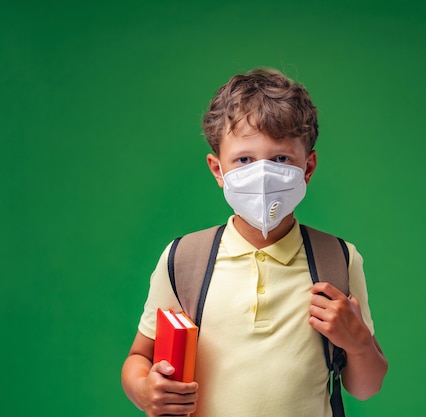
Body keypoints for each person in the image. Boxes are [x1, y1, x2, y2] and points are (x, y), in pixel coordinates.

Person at [121, 68, 388, 417]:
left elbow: (365, 387)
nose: (262, 175)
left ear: (307, 168)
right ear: (218, 170)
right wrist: (145, 389)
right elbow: (139, 357)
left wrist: (357, 343)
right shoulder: (184, 259)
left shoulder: (337, 259)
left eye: (280, 159)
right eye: (244, 159)